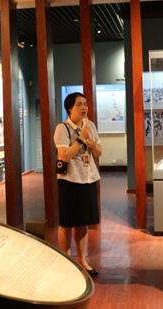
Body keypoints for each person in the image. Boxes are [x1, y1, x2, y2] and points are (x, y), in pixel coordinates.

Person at [54, 92, 102, 276]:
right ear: (69, 108)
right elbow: (64, 155)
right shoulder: (62, 128)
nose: (84, 108)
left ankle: (82, 260)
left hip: (88, 178)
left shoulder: (90, 126)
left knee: (83, 223)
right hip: (69, 180)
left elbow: (98, 152)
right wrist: (81, 138)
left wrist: (91, 143)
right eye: (80, 104)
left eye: (86, 104)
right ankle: (66, 260)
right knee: (67, 223)